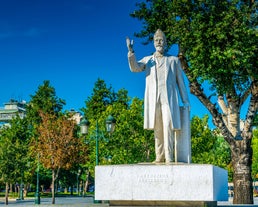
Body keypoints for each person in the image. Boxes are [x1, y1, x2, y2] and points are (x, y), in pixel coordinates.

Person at [126, 29, 190, 164]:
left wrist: (185, 100)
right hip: (154, 99)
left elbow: (180, 82)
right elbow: (135, 68)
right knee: (158, 128)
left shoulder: (173, 60)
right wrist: (131, 52)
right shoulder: (148, 60)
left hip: (169, 99)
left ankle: (169, 157)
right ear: (154, 43)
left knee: (168, 125)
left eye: (161, 40)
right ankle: (159, 157)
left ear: (165, 43)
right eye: (156, 40)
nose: (159, 42)